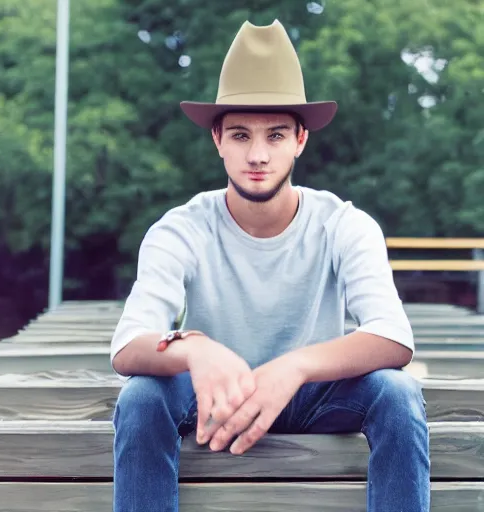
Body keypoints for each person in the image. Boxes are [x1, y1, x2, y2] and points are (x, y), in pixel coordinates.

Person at [110, 19, 430, 512]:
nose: (257, 155)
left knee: (397, 392)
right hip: (213, 398)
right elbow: (128, 345)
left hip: (315, 396)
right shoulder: (181, 228)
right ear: (217, 139)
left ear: (300, 139)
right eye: (240, 135)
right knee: (141, 397)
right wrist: (194, 348)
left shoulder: (345, 224)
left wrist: (294, 368)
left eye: (275, 135)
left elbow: (394, 337)